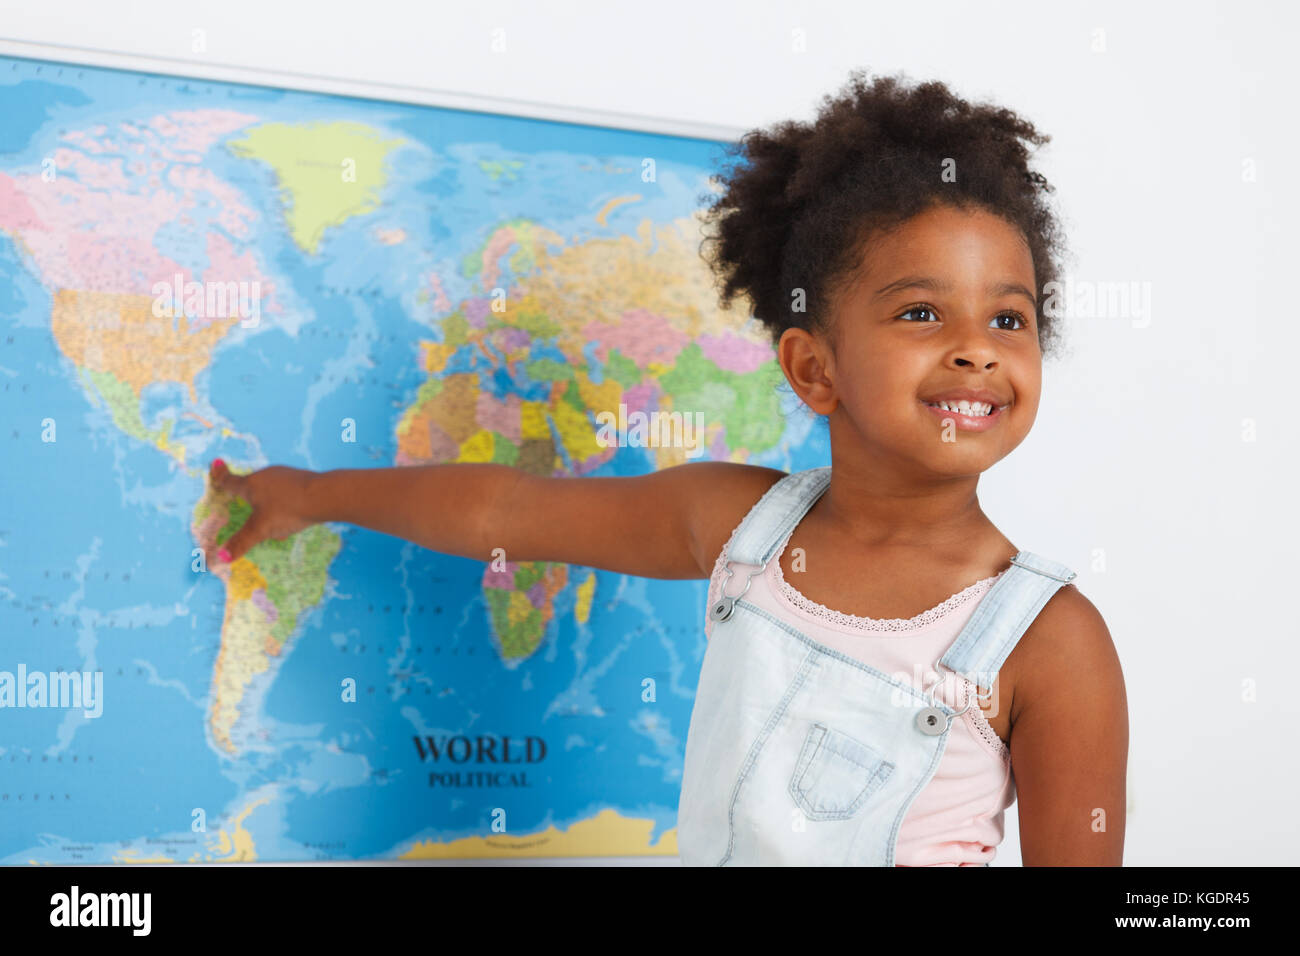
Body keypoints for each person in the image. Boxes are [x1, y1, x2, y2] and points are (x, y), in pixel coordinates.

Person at [205, 69, 1128, 867]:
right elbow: (503, 511)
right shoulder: (741, 527)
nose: (976, 349)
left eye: (1008, 319)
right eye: (922, 313)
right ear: (814, 368)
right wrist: (301, 495)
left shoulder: (1050, 643)